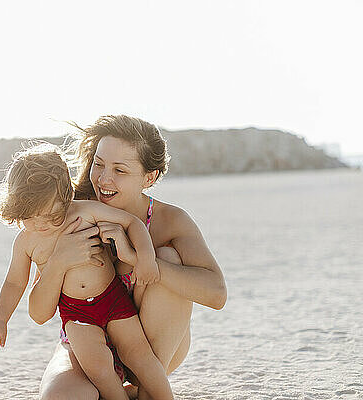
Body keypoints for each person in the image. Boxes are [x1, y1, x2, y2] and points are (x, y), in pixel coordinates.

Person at [29, 115, 227, 400]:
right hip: (85, 347)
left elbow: (216, 294)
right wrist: (60, 260)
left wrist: (137, 258)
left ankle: (146, 388)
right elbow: (38, 313)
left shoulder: (170, 221)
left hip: (148, 347)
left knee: (167, 258)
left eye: (120, 170)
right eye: (99, 164)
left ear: (150, 177)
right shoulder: (72, 214)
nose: (104, 179)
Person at [0, 143, 174, 400]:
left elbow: (132, 222)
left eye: (51, 215)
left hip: (112, 297)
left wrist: (146, 258)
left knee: (139, 354)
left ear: (65, 197)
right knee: (98, 367)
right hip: (76, 313)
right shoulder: (26, 242)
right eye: (30, 216)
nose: (41, 224)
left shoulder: (84, 212)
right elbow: (15, 282)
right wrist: (0, 320)